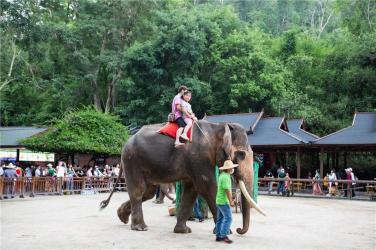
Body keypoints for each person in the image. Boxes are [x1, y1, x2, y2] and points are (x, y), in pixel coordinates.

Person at [215, 160, 237, 243]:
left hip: (219, 200)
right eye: (231, 167)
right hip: (223, 201)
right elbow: (227, 190)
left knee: (220, 219)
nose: (232, 169)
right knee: (228, 218)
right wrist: (231, 201)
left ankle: (218, 236)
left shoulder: (222, 175)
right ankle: (224, 235)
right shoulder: (225, 177)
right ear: (228, 168)